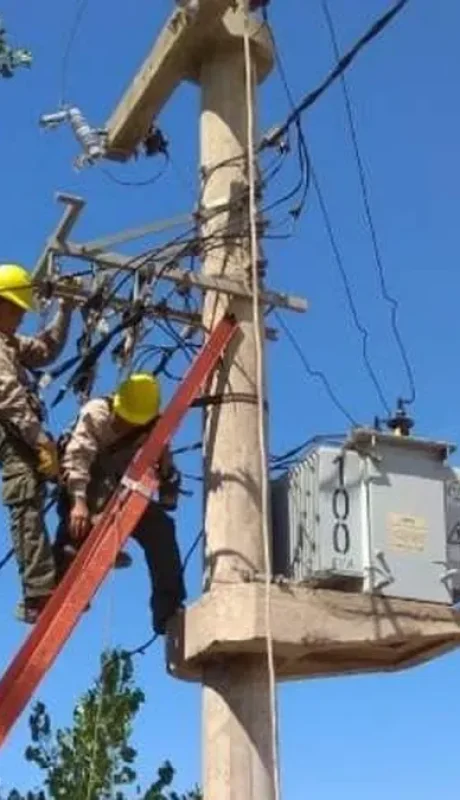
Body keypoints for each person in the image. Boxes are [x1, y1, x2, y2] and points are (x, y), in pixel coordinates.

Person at [53, 372, 186, 635]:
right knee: (80, 522)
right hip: (84, 481)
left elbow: (166, 480)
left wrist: (167, 471)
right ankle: (68, 563)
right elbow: (77, 457)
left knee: (161, 529)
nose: (125, 426)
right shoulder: (97, 413)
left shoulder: (153, 428)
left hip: (121, 489)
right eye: (123, 419)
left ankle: (168, 610)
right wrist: (78, 502)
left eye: (132, 422)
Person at [0, 263, 73, 623]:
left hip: (24, 432)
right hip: (11, 435)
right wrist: (41, 440)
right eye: (14, 308)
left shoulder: (9, 342)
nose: (18, 317)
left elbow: (44, 350)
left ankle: (68, 552)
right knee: (26, 501)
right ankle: (38, 594)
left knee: (67, 478)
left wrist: (66, 309)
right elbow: (10, 398)